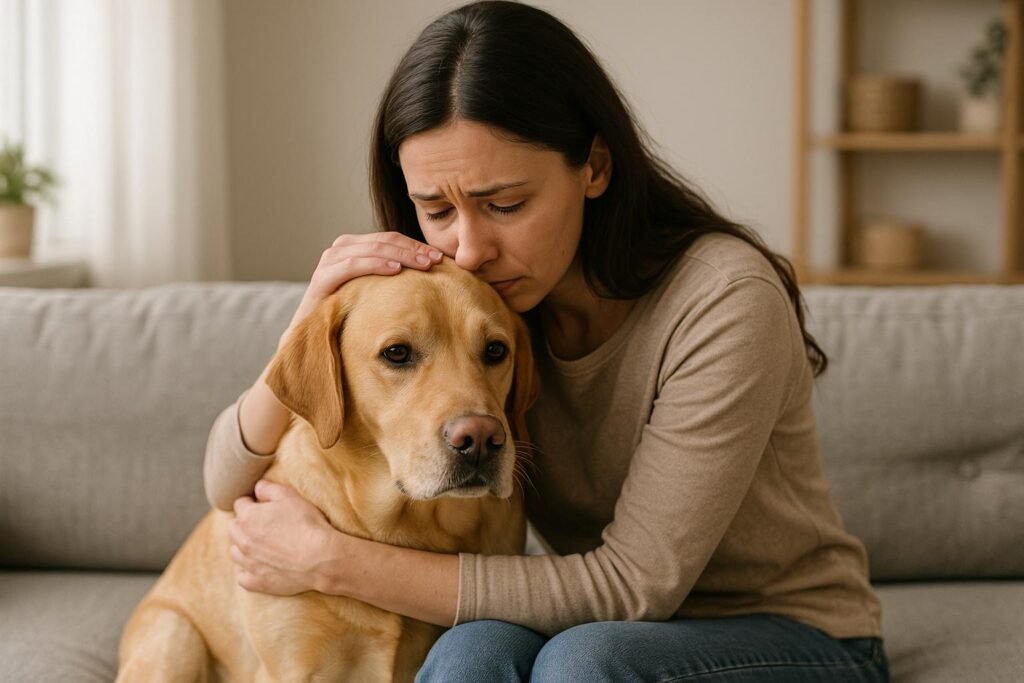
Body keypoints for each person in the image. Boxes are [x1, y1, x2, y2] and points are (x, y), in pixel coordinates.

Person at [204, 2, 890, 680]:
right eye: (436, 209)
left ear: (595, 166)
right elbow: (224, 483)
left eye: (505, 204)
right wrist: (313, 314)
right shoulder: (478, 304)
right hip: (596, 624)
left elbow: (634, 586)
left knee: (582, 665)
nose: (469, 248)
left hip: (790, 632)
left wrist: (329, 561)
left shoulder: (724, 300)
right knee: (469, 654)